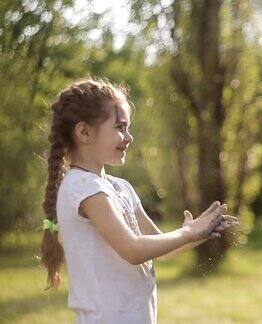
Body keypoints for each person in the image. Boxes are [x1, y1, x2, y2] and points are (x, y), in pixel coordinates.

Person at [40, 78, 238, 323]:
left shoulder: (120, 187)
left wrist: (198, 232)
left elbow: (160, 249)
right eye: (120, 127)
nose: (129, 137)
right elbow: (133, 250)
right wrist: (187, 233)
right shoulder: (82, 188)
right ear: (84, 133)